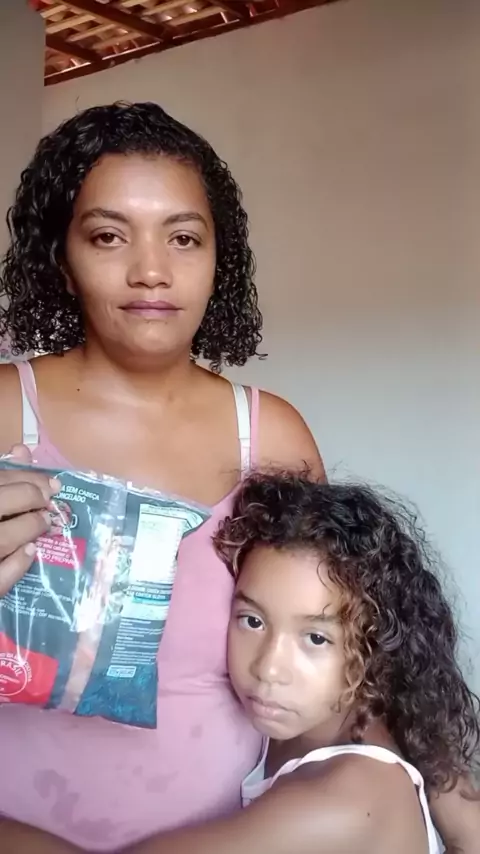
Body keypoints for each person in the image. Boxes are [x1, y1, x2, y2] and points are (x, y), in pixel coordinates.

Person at [0, 101, 325, 852]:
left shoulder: (272, 435)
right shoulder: (7, 411)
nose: (151, 270)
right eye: (108, 236)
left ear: (218, 259)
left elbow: (333, 655)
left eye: (183, 238)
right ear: (61, 258)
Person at [126, 474, 480, 853]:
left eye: (315, 638)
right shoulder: (361, 713)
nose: (268, 669)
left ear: (376, 645)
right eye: (253, 621)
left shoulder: (347, 800)